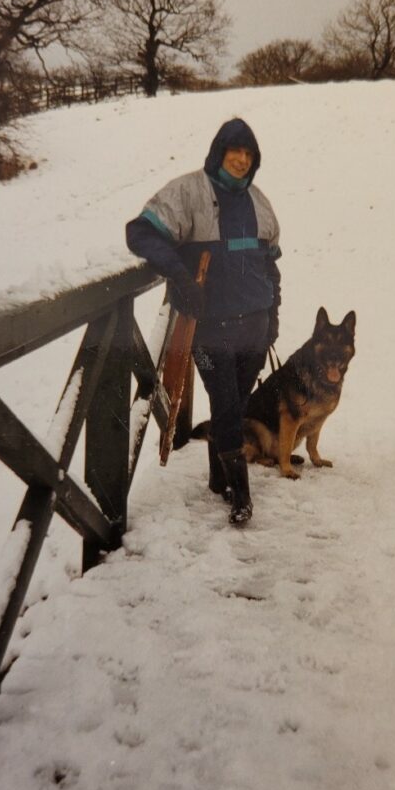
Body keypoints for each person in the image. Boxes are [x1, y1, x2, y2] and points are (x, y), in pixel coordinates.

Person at [126, 117, 281, 526]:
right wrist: (179, 275)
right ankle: (241, 497)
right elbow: (140, 233)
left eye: (249, 154)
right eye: (235, 151)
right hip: (210, 326)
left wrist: (274, 316)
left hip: (255, 325)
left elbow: (272, 265)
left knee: (236, 401)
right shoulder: (188, 191)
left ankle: (218, 476)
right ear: (219, 152)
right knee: (228, 406)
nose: (242, 160)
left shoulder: (259, 201)